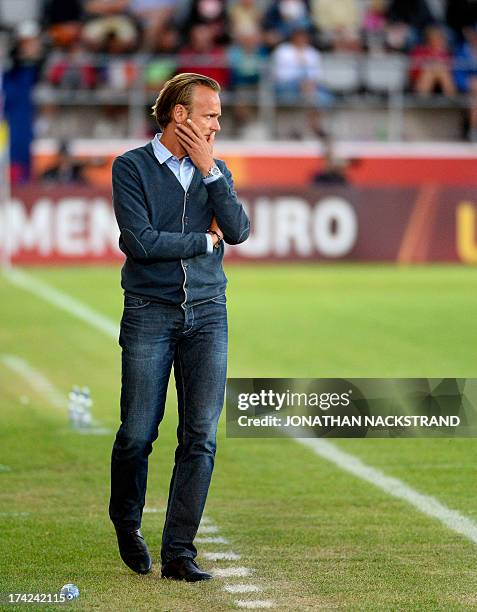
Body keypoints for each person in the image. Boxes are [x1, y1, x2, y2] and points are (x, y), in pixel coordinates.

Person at [109, 72, 250, 582]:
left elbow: (238, 230)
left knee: (200, 437)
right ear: (180, 115)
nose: (217, 123)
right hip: (151, 311)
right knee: (137, 434)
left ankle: (179, 553)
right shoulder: (131, 168)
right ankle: (126, 520)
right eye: (210, 113)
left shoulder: (217, 169)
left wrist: (212, 173)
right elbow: (140, 243)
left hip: (209, 313)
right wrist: (203, 243)